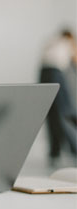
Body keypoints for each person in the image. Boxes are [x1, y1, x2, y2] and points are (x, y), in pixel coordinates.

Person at [40, 29, 77, 164]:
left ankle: (54, 150)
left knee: (51, 114)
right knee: (66, 113)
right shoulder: (67, 43)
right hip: (55, 73)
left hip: (43, 74)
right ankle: (75, 149)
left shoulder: (51, 41)